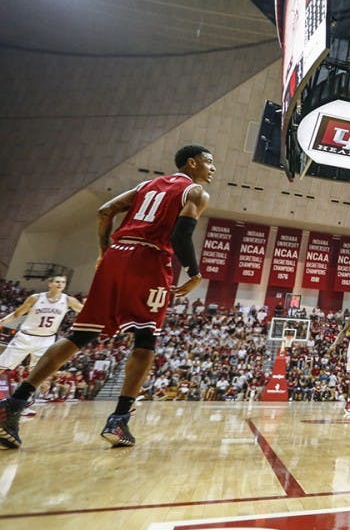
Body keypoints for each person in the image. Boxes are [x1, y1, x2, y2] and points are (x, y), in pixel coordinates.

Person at [0, 145, 213, 450]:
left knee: (80, 334)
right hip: (149, 259)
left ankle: (14, 403)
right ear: (191, 163)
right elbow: (180, 236)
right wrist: (194, 271)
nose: (212, 168)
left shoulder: (145, 185)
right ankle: (120, 420)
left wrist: (104, 252)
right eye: (208, 162)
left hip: (117, 255)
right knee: (145, 338)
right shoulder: (195, 192)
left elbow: (105, 212)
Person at [0, 275, 84, 373]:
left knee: (38, 374)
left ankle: (29, 389)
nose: (60, 284)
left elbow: (85, 311)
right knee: (2, 366)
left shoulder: (68, 300)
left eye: (63, 282)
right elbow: (16, 314)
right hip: (26, 337)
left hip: (46, 340)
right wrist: (2, 322)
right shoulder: (35, 298)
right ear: (50, 284)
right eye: (57, 282)